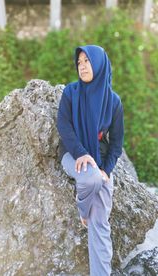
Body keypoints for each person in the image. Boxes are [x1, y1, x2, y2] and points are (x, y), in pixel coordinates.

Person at [56, 45, 124, 276]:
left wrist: (107, 169)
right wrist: (80, 153)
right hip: (72, 154)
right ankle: (83, 211)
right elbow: (63, 126)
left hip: (101, 159)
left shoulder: (113, 102)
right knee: (91, 178)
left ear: (100, 64)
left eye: (87, 61)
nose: (82, 66)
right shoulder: (71, 93)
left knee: (101, 222)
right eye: (79, 62)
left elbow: (116, 143)